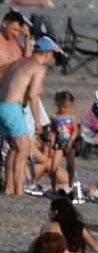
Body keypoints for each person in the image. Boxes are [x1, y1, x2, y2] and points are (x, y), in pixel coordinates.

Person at [0, 36, 57, 196]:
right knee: (23, 149)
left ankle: (9, 187)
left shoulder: (18, 62)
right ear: (47, 54)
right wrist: (38, 121)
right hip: (12, 108)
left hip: (2, 106)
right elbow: (33, 95)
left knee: (14, 148)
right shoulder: (38, 68)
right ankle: (19, 190)